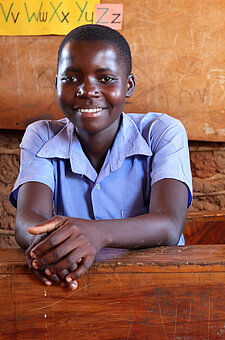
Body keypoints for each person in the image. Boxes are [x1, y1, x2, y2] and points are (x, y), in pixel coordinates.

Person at [10, 24, 192, 291]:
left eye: (105, 79)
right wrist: (50, 250)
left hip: (159, 286)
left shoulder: (161, 132)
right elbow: (28, 221)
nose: (87, 90)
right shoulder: (41, 135)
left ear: (128, 86)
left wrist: (97, 233)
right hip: (74, 284)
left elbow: (169, 225)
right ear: (56, 84)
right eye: (71, 79)